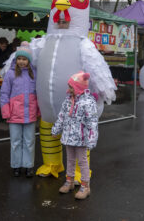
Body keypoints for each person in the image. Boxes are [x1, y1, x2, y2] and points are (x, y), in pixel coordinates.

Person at [51, 71, 98, 200]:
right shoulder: (68, 100)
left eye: (71, 87)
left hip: (81, 138)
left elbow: (92, 122)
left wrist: (91, 139)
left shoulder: (88, 102)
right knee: (70, 160)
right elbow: (61, 116)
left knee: (82, 162)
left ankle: (85, 186)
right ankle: (69, 181)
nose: (69, 89)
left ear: (78, 87)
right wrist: (56, 130)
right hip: (68, 136)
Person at [0, 41, 38, 178]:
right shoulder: (10, 74)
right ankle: (16, 165)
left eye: (24, 59)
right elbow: (4, 93)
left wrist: (39, 110)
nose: (21, 62)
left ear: (29, 60)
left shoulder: (34, 74)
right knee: (15, 141)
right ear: (16, 60)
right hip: (14, 114)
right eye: (19, 59)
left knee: (29, 142)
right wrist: (6, 111)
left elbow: (38, 93)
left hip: (30, 114)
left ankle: (28, 166)